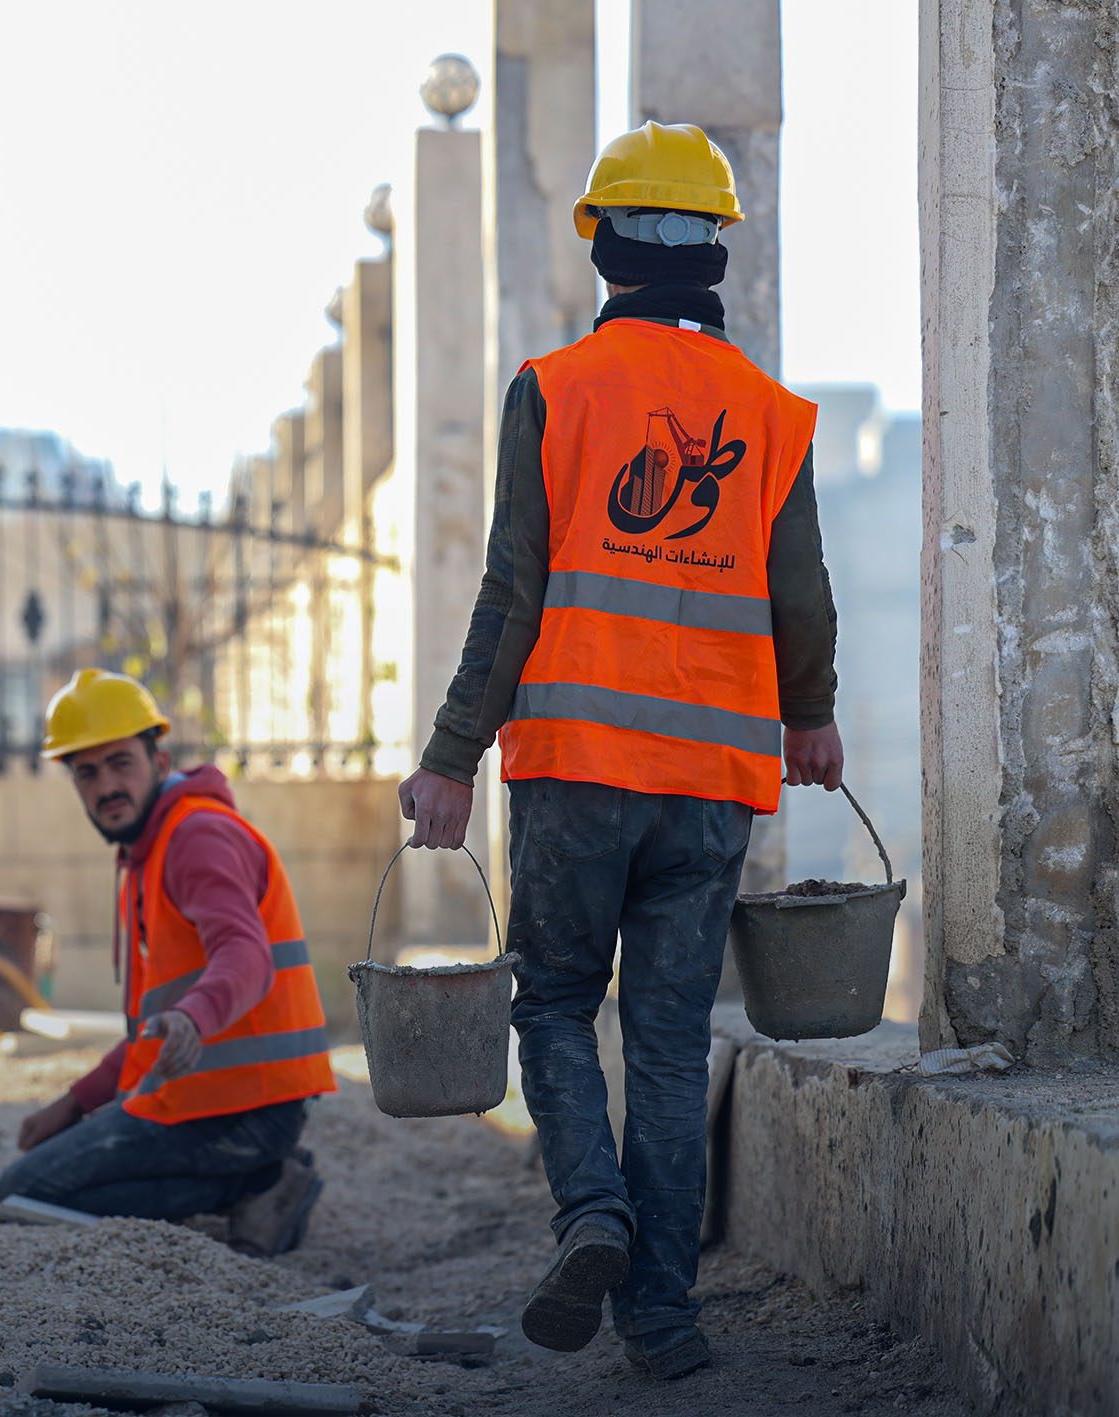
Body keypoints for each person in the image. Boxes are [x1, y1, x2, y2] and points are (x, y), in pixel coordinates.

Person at [397, 121, 842, 1379]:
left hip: (576, 772)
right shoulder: (770, 414)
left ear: (601, 244)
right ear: (717, 257)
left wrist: (449, 757)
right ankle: (663, 1314)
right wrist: (808, 716)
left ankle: (588, 1209)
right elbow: (799, 595)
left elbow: (510, 594)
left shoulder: (555, 388)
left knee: (548, 1000)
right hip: (709, 788)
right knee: (666, 1037)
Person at [0, 668, 337, 1256]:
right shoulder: (148, 854)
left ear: (159, 759)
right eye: (87, 772)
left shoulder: (195, 837)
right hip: (215, 1100)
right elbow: (153, 1026)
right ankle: (252, 1184)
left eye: (120, 763)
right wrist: (77, 1102)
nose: (106, 785)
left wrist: (195, 1016)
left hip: (243, 1112)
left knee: (25, 1191)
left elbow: (245, 954)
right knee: (30, 1189)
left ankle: (260, 1183)